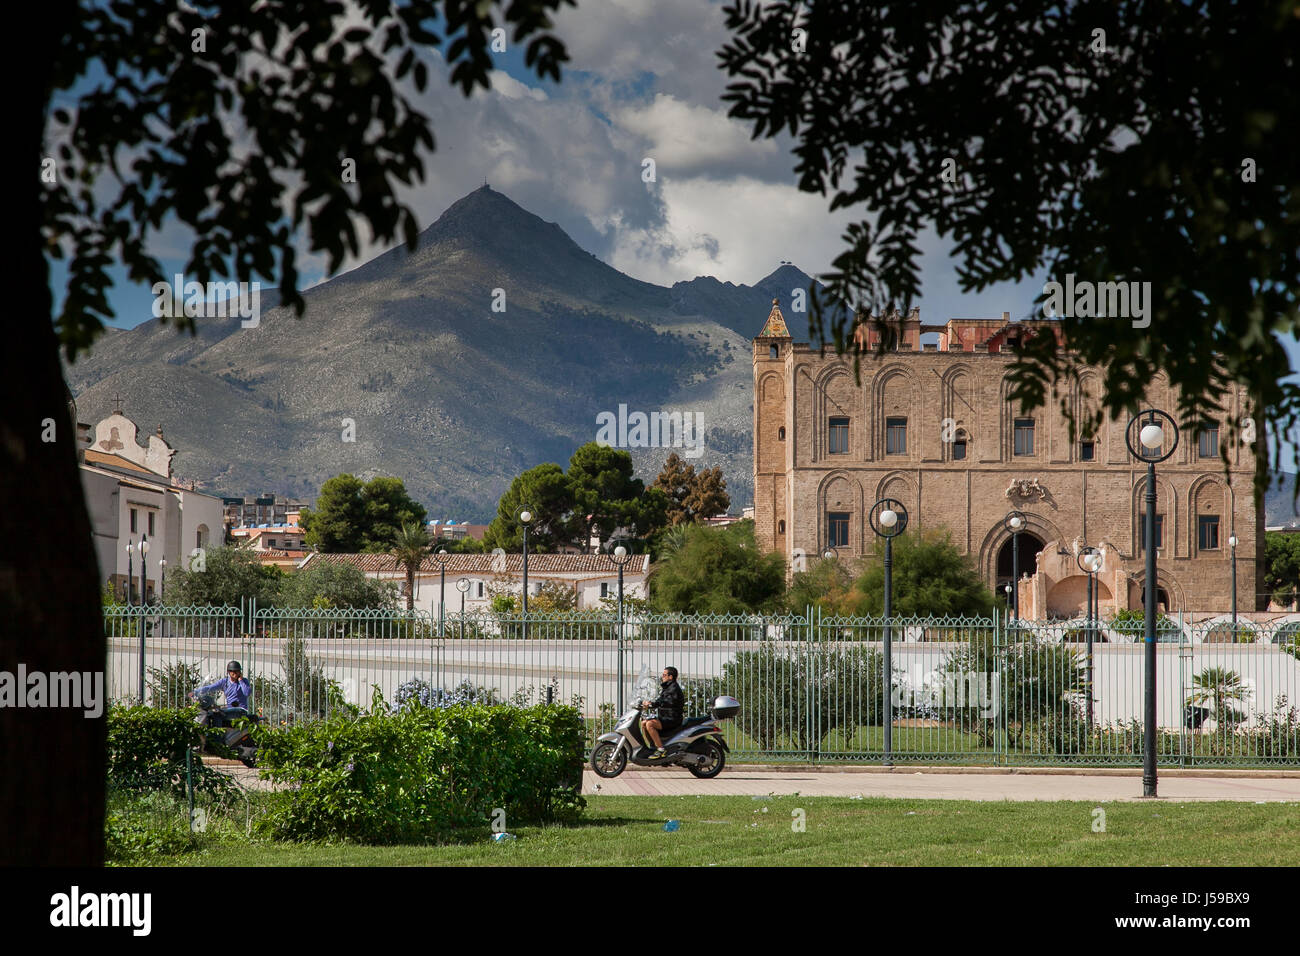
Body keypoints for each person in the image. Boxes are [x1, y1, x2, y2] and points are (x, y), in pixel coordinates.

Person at [641, 666, 683, 758]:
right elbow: (661, 701)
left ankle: (661, 749)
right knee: (644, 723)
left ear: (670, 677)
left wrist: (652, 704)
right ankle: (653, 747)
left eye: (664, 675)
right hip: (666, 717)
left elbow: (667, 701)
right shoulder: (668, 687)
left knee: (650, 724)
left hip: (672, 719)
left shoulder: (673, 688)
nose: (662, 676)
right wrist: (649, 703)